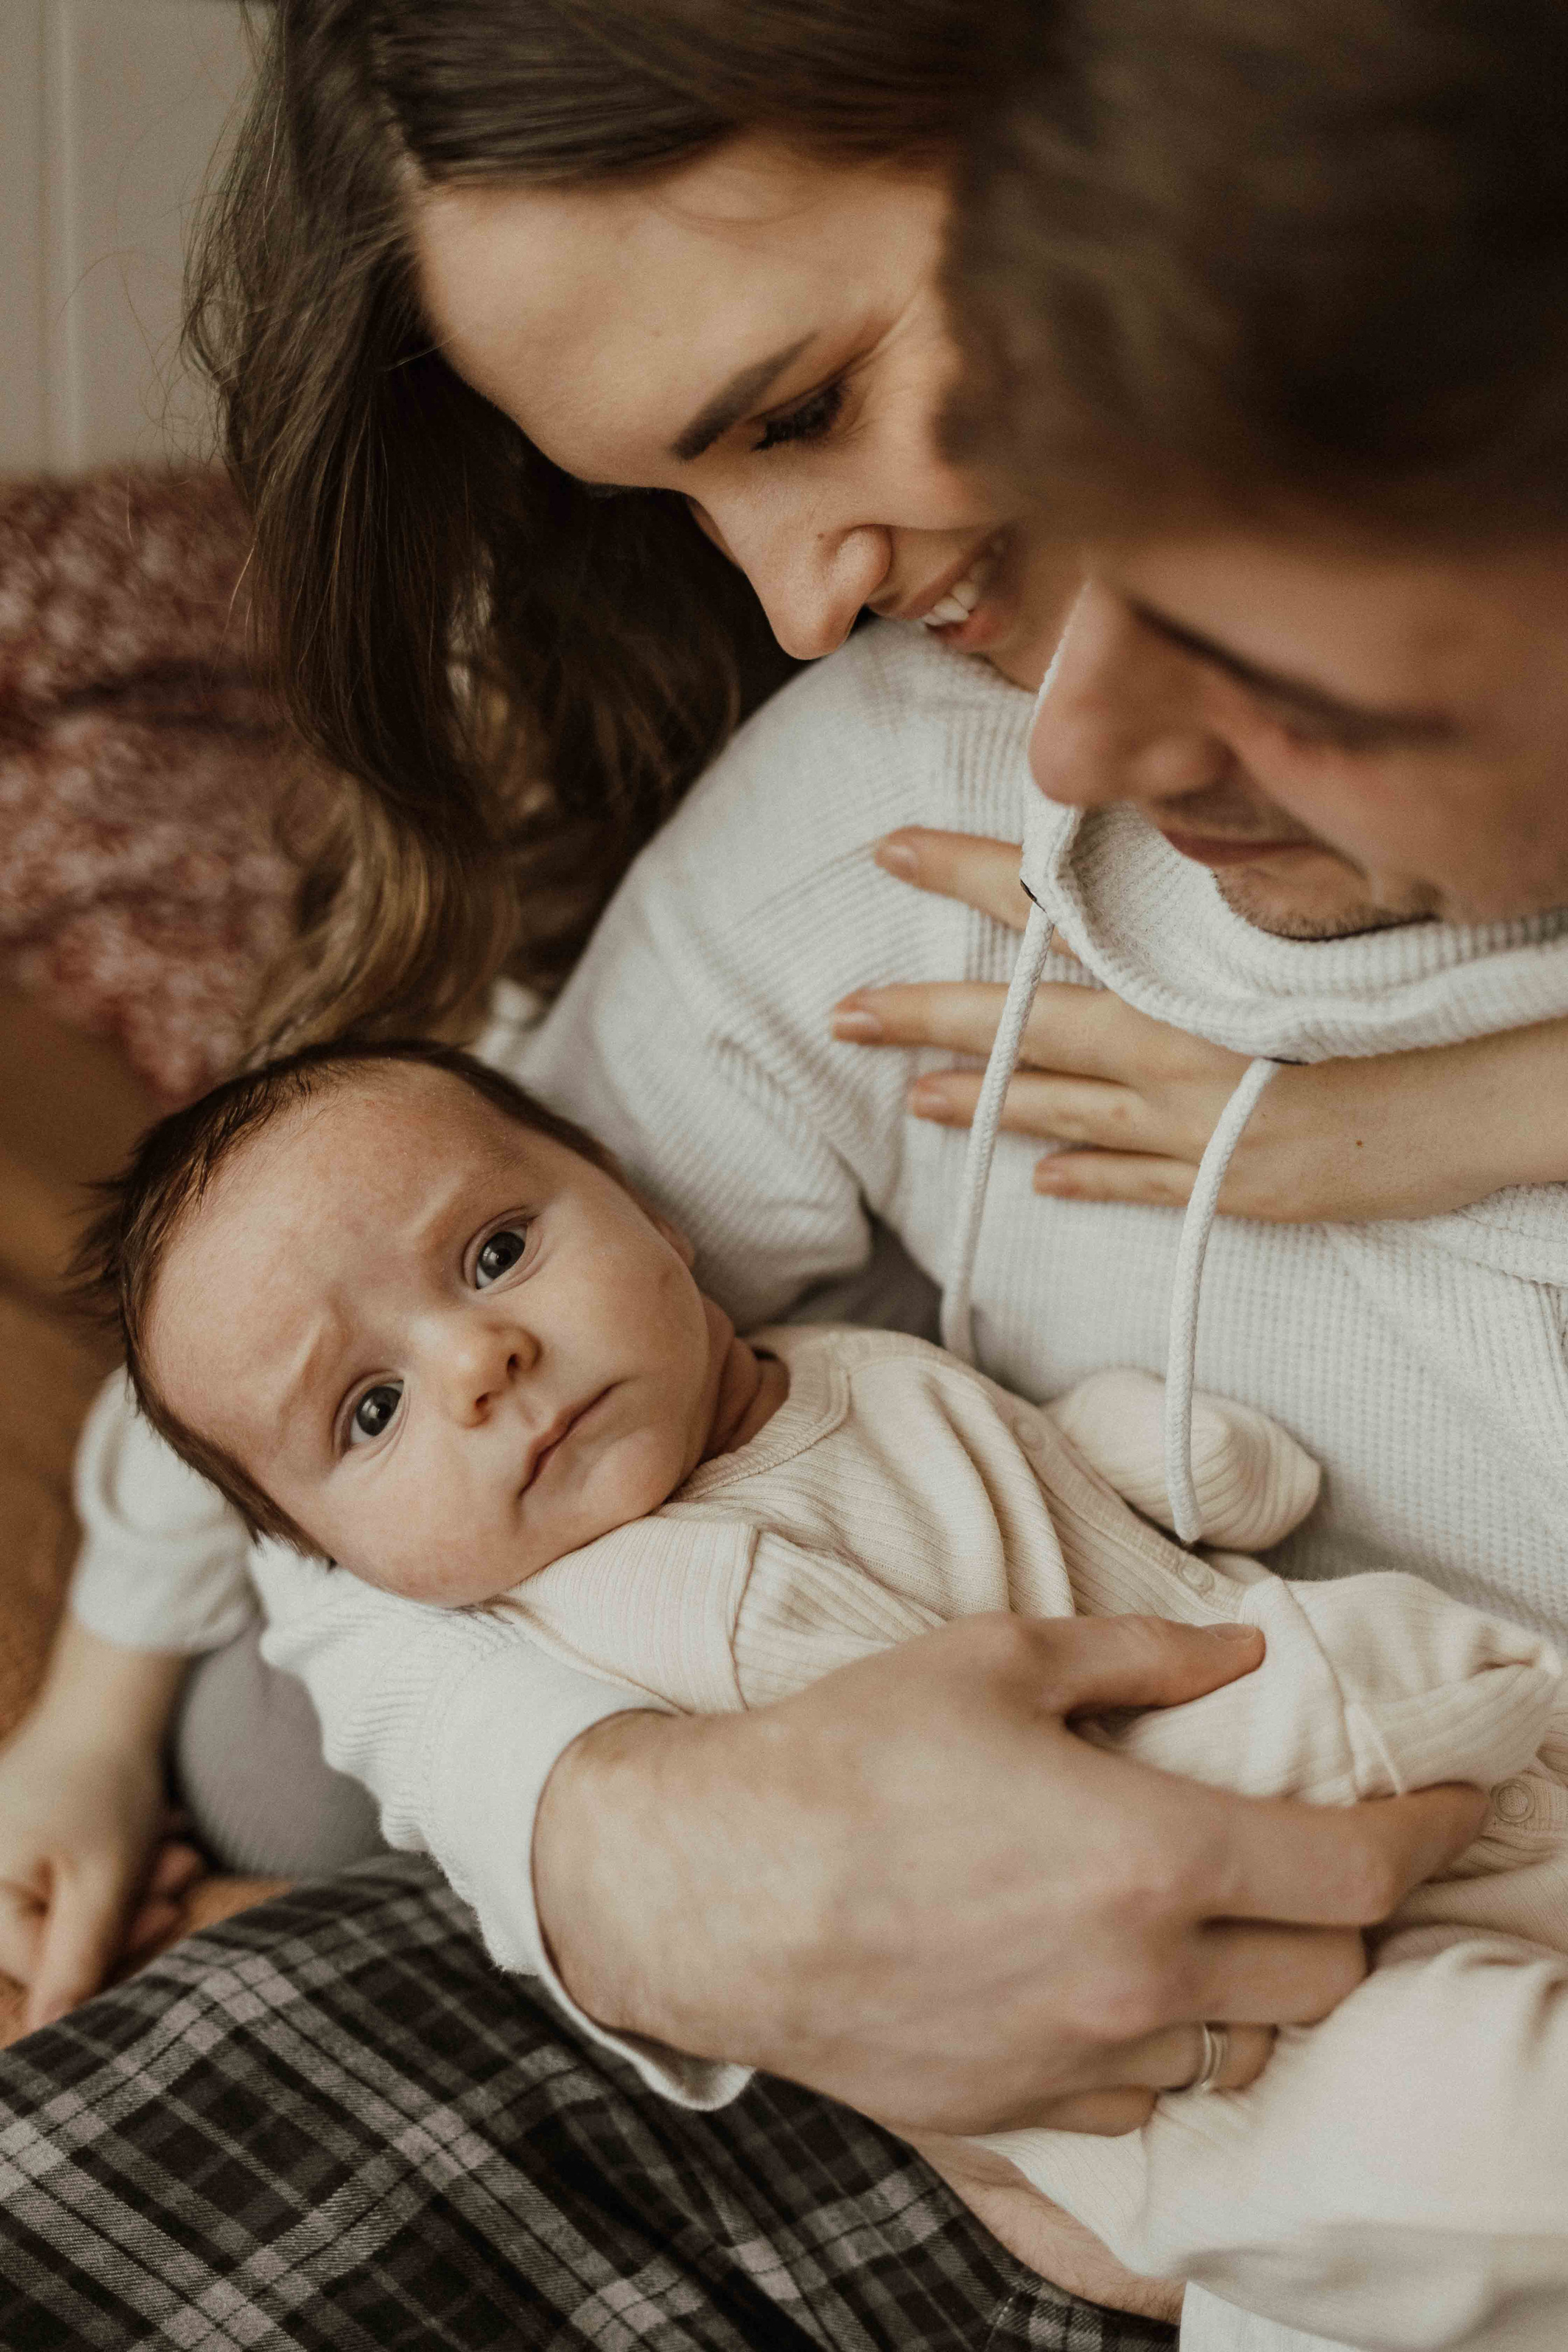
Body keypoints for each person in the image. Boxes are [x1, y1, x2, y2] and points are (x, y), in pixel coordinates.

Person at [1, 1, 1563, 2343]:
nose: (795, 605)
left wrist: (1453, 1111)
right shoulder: (896, 825)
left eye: (804, 403)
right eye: (680, 492)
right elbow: (316, 1356)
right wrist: (630, 1859)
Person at [81, 1030, 1568, 2352]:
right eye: (373, 1410)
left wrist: (1146, 1454)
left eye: (494, 1253)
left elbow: (1012, 1462)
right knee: (1493, 2141)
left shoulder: (836, 1367)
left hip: (1384, 1833)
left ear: (652, 1216)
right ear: (352, 1567)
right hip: (1206, 2045)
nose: (479, 1357)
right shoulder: (669, 1606)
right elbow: (1032, 1819)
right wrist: (1357, 1708)